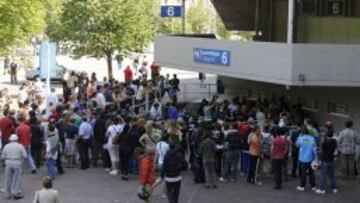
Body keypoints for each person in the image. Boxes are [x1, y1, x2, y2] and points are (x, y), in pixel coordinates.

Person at [1, 134, 27, 200]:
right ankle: (15, 193)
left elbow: (3, 156)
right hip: (17, 162)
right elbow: (25, 155)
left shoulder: (6, 146)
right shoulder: (20, 146)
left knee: (8, 179)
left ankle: (7, 194)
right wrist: (21, 160)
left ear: (10, 140)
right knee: (16, 179)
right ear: (17, 140)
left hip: (8, 162)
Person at [315, 129, 338, 194]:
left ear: (326, 135)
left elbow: (321, 151)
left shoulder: (324, 142)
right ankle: (334, 188)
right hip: (332, 160)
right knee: (332, 175)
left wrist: (319, 160)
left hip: (325, 160)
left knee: (323, 175)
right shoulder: (334, 141)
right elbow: (335, 150)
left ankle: (322, 189)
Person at [296, 127, 317, 192]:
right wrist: (316, 158)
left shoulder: (300, 138)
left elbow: (297, 145)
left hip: (302, 158)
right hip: (310, 158)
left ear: (302, 132)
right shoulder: (312, 139)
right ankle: (313, 186)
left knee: (303, 173)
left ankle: (302, 186)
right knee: (311, 173)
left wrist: (299, 136)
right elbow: (314, 150)